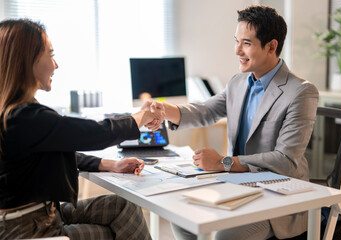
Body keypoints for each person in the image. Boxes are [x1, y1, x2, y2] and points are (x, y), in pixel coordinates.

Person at [144, 5, 319, 240]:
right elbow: (206, 111)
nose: (237, 50)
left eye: (246, 43)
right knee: (183, 219)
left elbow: (285, 161)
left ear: (271, 46)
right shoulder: (238, 82)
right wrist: (164, 110)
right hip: (236, 187)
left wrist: (223, 162)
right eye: (236, 41)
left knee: (224, 236)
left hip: (279, 196)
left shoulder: (300, 91)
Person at [0, 19, 164, 240]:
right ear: (27, 59)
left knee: (124, 207)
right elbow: (95, 133)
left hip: (42, 214)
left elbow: (54, 152)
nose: (55, 64)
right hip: (29, 229)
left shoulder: (16, 112)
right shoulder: (23, 117)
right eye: (50, 54)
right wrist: (141, 117)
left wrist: (110, 164)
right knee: (118, 231)